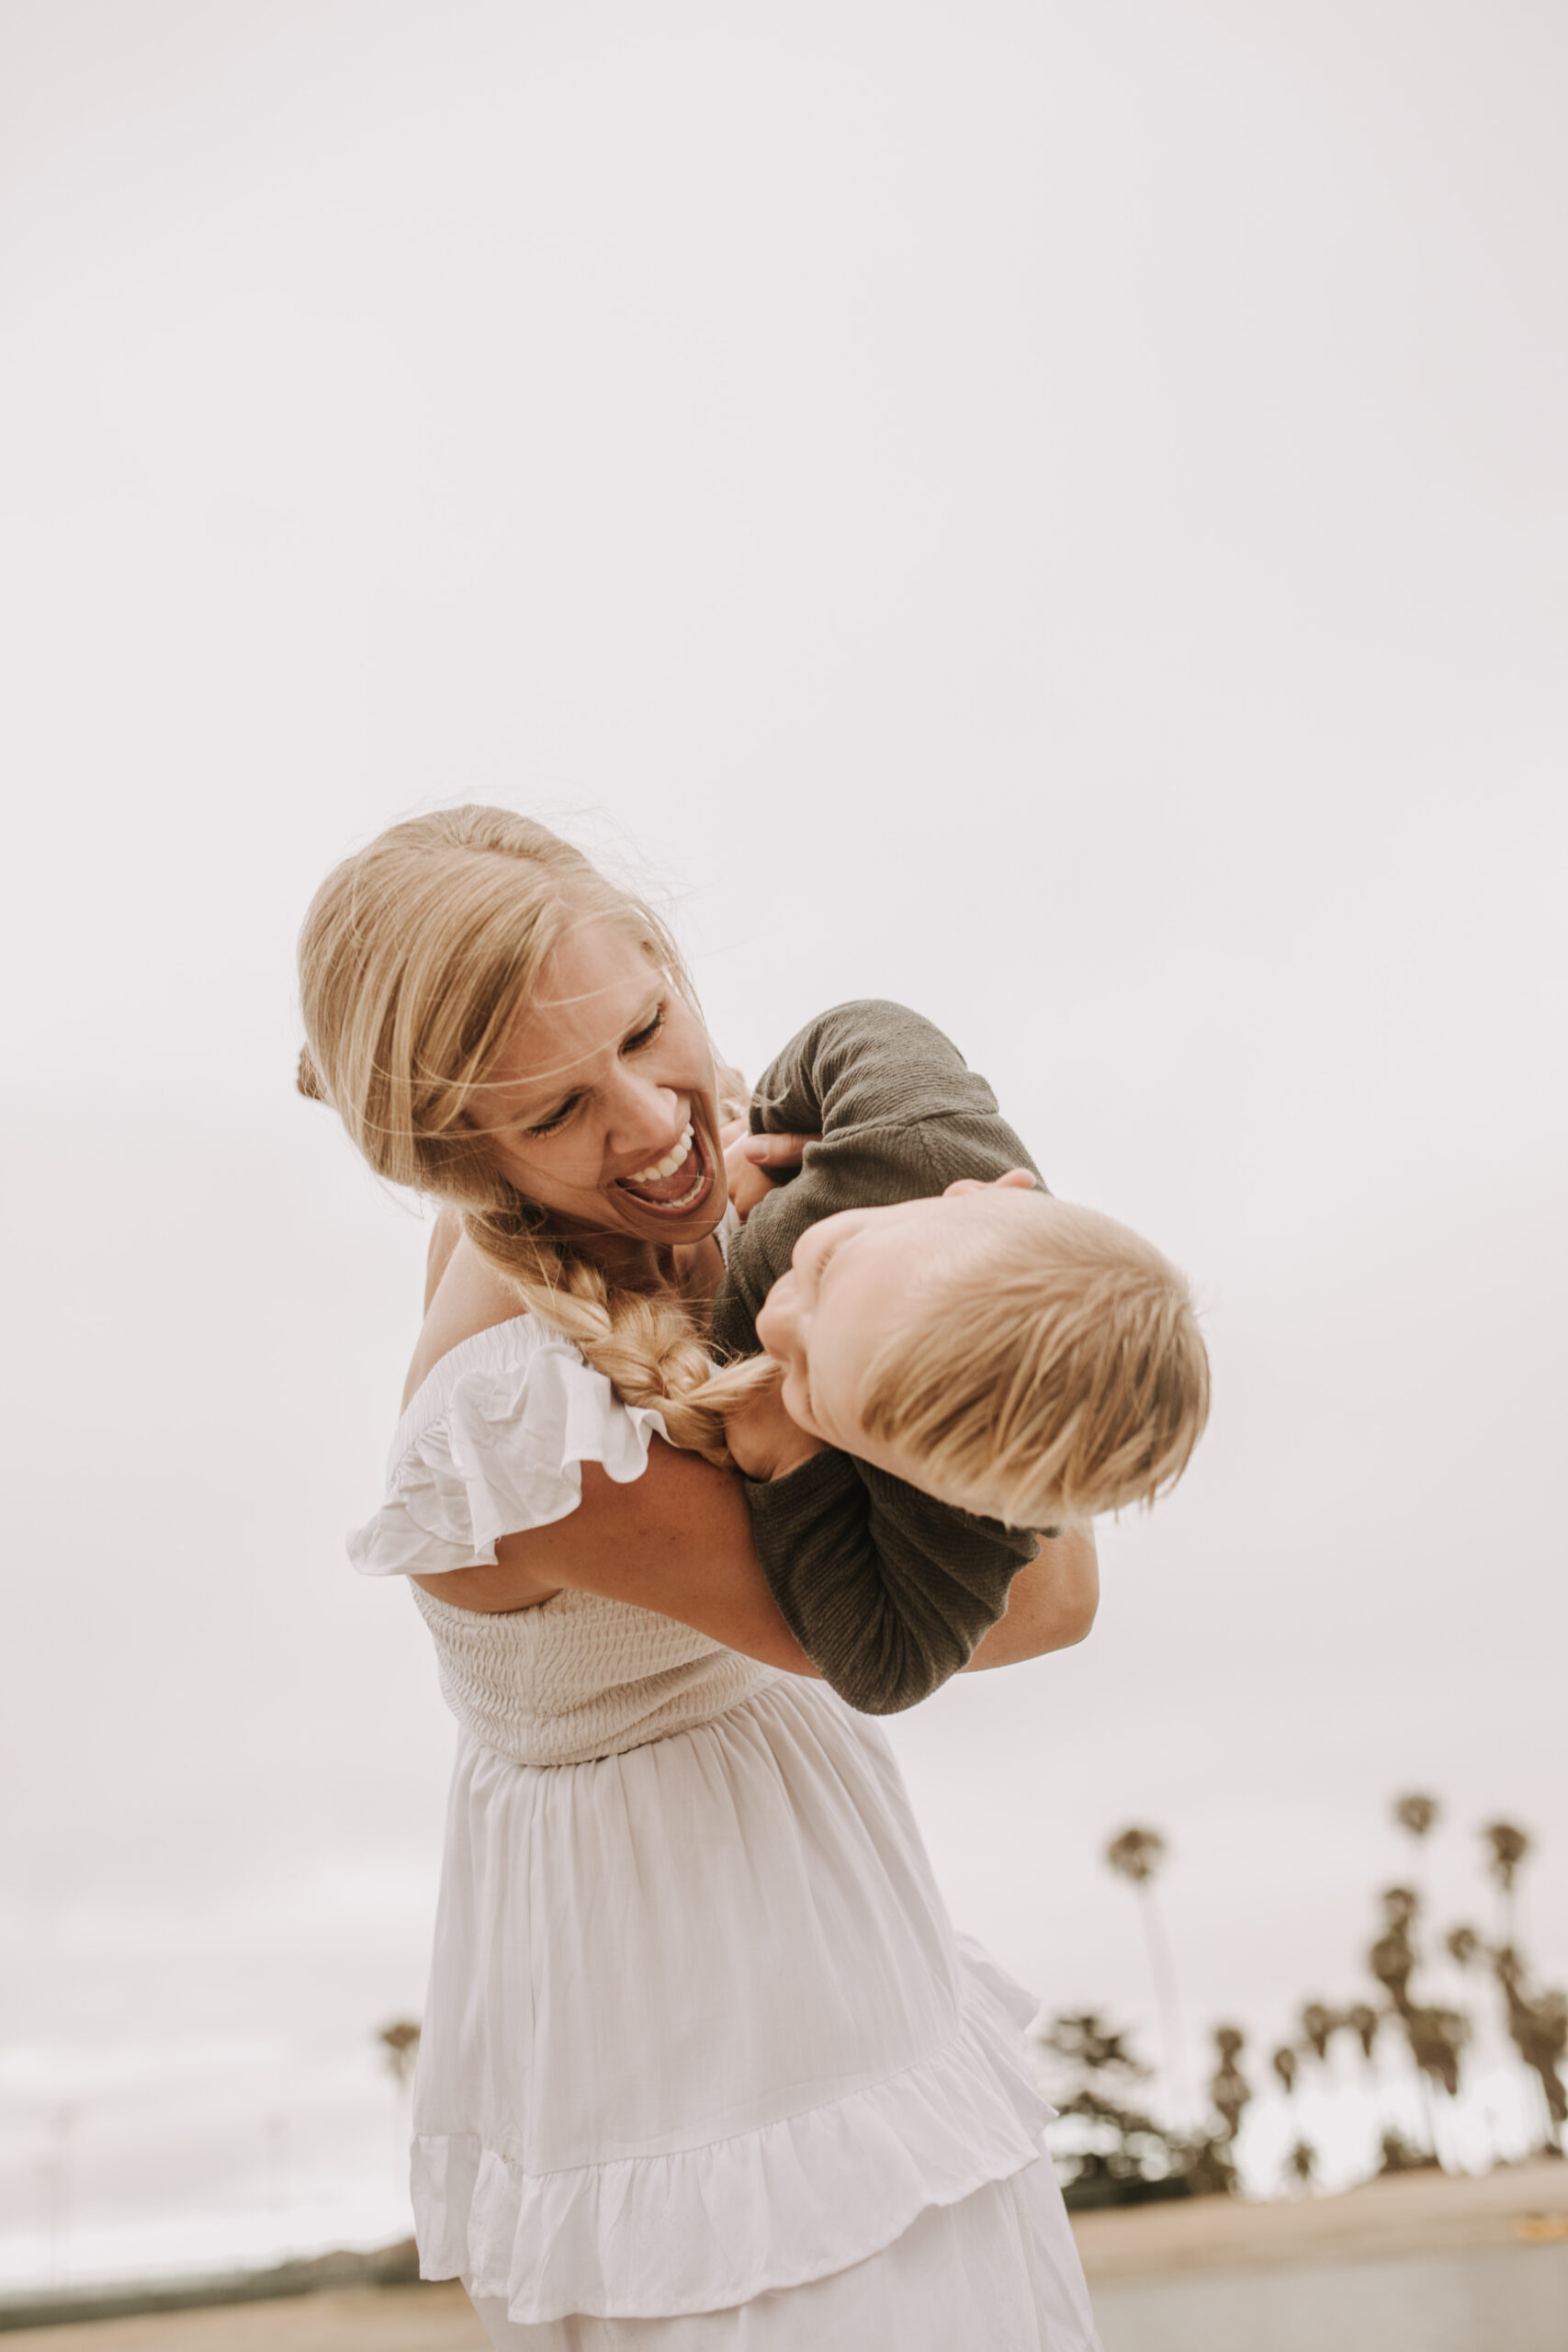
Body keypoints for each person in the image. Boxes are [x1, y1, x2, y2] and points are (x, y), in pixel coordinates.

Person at [300, 805, 1104, 2349]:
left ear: (669, 964)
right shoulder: (516, 1425)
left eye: (646, 1031)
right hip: (699, 1996)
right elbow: (1046, 1601)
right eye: (555, 1111)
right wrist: (997, 1272)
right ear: (470, 1161)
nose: (651, 1124)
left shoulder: (741, 1184)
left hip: (826, 1903)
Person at [700, 1000, 1209, 1713]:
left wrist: (790, 1463)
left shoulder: (962, 1514)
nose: (779, 1325)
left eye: (814, 1395)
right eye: (825, 1270)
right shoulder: (924, 1136)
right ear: (975, 1193)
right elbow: (861, 1027)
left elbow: (883, 1668)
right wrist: (767, 1129)